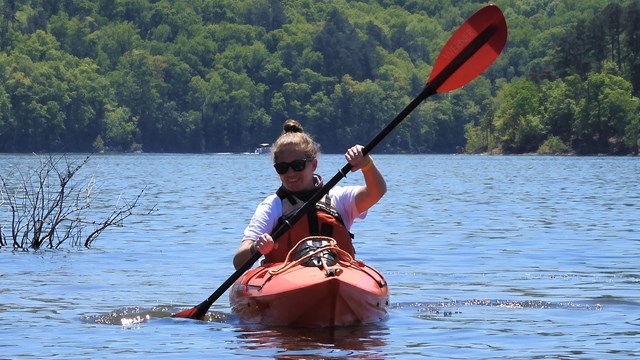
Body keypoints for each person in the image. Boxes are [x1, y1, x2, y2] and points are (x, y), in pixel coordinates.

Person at [233, 119, 387, 270]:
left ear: (313, 164)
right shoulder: (272, 206)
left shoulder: (338, 198)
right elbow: (238, 261)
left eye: (298, 165)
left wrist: (366, 164)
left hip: (337, 275)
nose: (291, 173)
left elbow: (377, 191)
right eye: (282, 167)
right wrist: (255, 247)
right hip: (286, 281)